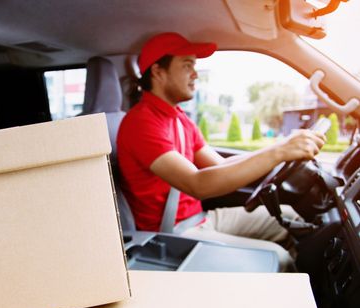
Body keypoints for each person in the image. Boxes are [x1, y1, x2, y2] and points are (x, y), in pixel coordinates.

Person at [116, 32, 326, 269]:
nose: (195, 74)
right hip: (172, 234)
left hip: (200, 219)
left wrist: (279, 147)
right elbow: (197, 184)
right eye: (187, 65)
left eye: (194, 66)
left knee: (287, 217)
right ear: (158, 72)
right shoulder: (141, 123)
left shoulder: (179, 118)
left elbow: (219, 166)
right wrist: (279, 152)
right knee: (278, 258)